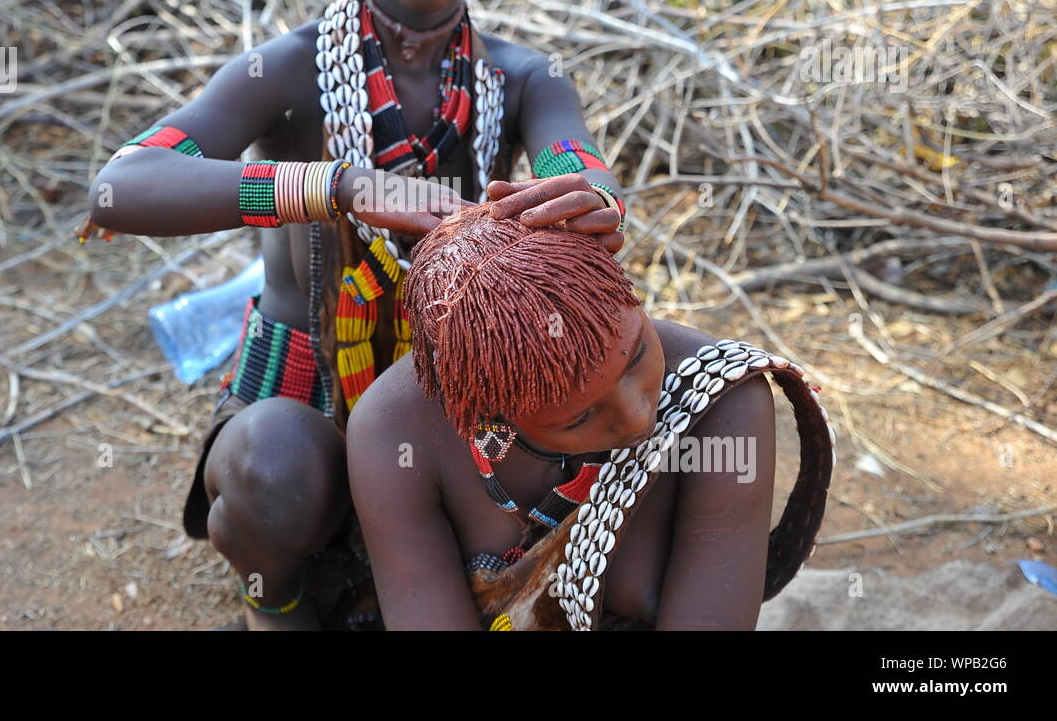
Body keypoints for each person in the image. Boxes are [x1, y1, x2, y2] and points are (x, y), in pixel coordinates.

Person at [77, 0, 629, 629]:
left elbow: (578, 163)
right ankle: (282, 601)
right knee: (277, 473)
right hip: (307, 393)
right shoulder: (289, 73)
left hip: (455, 386)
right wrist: (332, 185)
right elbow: (121, 184)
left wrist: (589, 199)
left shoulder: (524, 77)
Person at [346, 203, 835, 630]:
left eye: (639, 354)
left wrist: (600, 195)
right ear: (486, 413)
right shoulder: (394, 432)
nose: (640, 417)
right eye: (579, 418)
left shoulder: (720, 400)